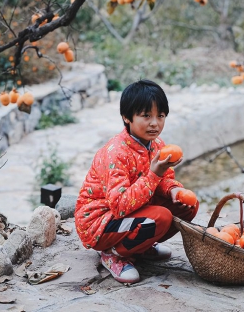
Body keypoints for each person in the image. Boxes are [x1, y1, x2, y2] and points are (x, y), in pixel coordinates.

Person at [75, 79, 199, 284]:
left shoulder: (157, 144)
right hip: (100, 221)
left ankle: (141, 247)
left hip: (131, 211)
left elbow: (164, 181)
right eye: (146, 116)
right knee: (160, 217)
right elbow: (119, 206)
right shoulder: (116, 153)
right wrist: (153, 175)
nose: (155, 123)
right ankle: (114, 254)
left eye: (160, 116)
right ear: (127, 117)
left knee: (188, 206)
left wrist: (173, 191)